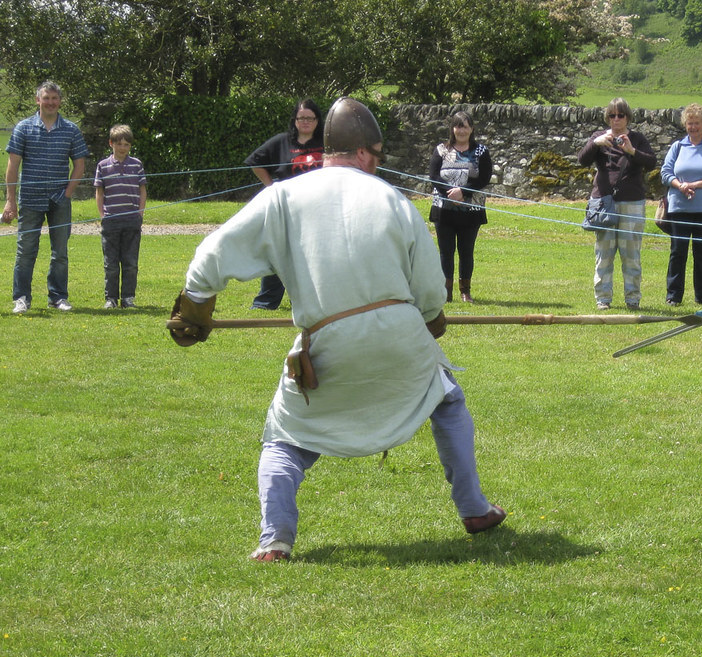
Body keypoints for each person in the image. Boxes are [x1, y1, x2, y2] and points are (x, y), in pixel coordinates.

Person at [168, 97, 505, 562]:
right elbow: (430, 287)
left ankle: (276, 539)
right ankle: (474, 508)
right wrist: (431, 318)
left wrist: (196, 307)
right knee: (445, 399)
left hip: (327, 342)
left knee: (284, 438)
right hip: (401, 335)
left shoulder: (284, 196)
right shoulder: (392, 198)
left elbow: (212, 254)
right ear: (367, 151)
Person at [3, 81, 89, 313]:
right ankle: (21, 299)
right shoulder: (23, 127)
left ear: (60, 101)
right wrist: (10, 200)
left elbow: (79, 165)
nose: (50, 102)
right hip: (30, 198)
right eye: (46, 98)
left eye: (54, 98)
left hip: (60, 200)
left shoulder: (71, 129)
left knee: (59, 252)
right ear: (37, 100)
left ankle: (58, 297)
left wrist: (68, 193)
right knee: (25, 251)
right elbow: (12, 167)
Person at [244, 99, 325, 310]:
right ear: (295, 120)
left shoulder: (327, 143)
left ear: (318, 120)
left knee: (314, 253)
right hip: (286, 207)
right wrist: (271, 186)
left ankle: (310, 299)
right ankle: (265, 302)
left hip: (319, 208)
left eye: (310, 118)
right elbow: (255, 161)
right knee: (278, 251)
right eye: (301, 118)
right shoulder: (282, 142)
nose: (305, 122)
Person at [578, 98, 657, 310]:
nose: (616, 119)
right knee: (604, 254)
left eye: (620, 115)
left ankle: (633, 299)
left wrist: (632, 151)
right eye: (612, 115)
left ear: (627, 117)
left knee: (631, 254)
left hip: (632, 203)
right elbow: (582, 160)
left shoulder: (638, 139)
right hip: (603, 203)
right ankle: (603, 299)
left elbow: (651, 163)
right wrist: (595, 144)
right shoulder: (598, 137)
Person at [660, 103, 702, 307]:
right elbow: (665, 173)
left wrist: (694, 185)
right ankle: (673, 295)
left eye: (697, 123)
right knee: (677, 251)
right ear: (685, 125)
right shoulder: (677, 147)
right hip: (679, 208)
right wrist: (680, 186)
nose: (693, 127)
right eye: (690, 123)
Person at [428, 112, 492, 303]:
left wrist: (463, 193)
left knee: (466, 251)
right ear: (452, 129)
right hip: (444, 209)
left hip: (471, 211)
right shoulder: (441, 150)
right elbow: (434, 176)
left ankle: (465, 292)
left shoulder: (481, 151)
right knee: (445, 252)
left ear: (471, 129)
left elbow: (484, 178)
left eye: (465, 126)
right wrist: (451, 192)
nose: (461, 130)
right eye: (458, 126)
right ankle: (446, 293)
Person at [94, 124, 147, 309]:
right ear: (111, 144)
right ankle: (111, 299)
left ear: (130, 146)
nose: (123, 147)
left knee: (130, 262)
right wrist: (103, 215)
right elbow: (99, 192)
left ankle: (128, 298)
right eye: (119, 143)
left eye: (126, 144)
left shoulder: (137, 164)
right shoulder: (102, 166)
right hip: (111, 221)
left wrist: (140, 213)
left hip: (132, 220)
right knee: (111, 263)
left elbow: (142, 190)